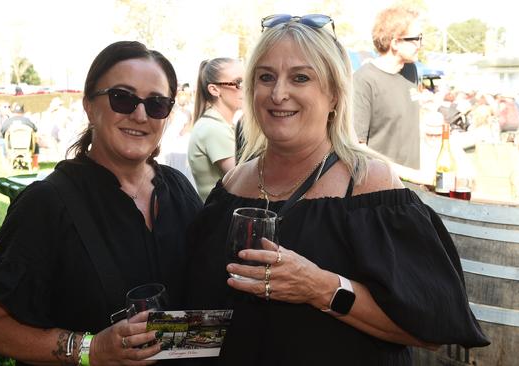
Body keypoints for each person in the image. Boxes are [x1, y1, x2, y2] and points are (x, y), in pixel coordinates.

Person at [185, 14, 489, 365]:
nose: (278, 93)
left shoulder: (367, 185)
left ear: (334, 95)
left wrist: (319, 287)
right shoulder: (231, 185)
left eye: (300, 77)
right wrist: (146, 341)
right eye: (265, 77)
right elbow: (212, 314)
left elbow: (431, 327)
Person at [0, 41, 203, 365]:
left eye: (157, 104)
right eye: (123, 98)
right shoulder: (46, 204)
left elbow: (196, 312)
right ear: (89, 105)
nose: (140, 114)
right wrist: (93, 349)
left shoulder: (179, 189)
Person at [353, 5, 425, 183]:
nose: (421, 44)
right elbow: (356, 148)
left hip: (413, 188)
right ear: (395, 43)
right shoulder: (363, 81)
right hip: (379, 188)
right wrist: (409, 174)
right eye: (416, 39)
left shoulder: (411, 70)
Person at [187, 57, 244, 201]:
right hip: (221, 219)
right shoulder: (213, 128)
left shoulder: (217, 124)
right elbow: (245, 180)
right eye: (239, 83)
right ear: (214, 89)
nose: (247, 89)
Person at [1, 103, 40, 169]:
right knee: (36, 144)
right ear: (22, 112)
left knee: (4, 143)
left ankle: (7, 163)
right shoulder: (27, 121)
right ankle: (35, 165)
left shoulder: (8, 121)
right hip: (27, 146)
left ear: (13, 112)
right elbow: (35, 129)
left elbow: (2, 131)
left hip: (11, 146)